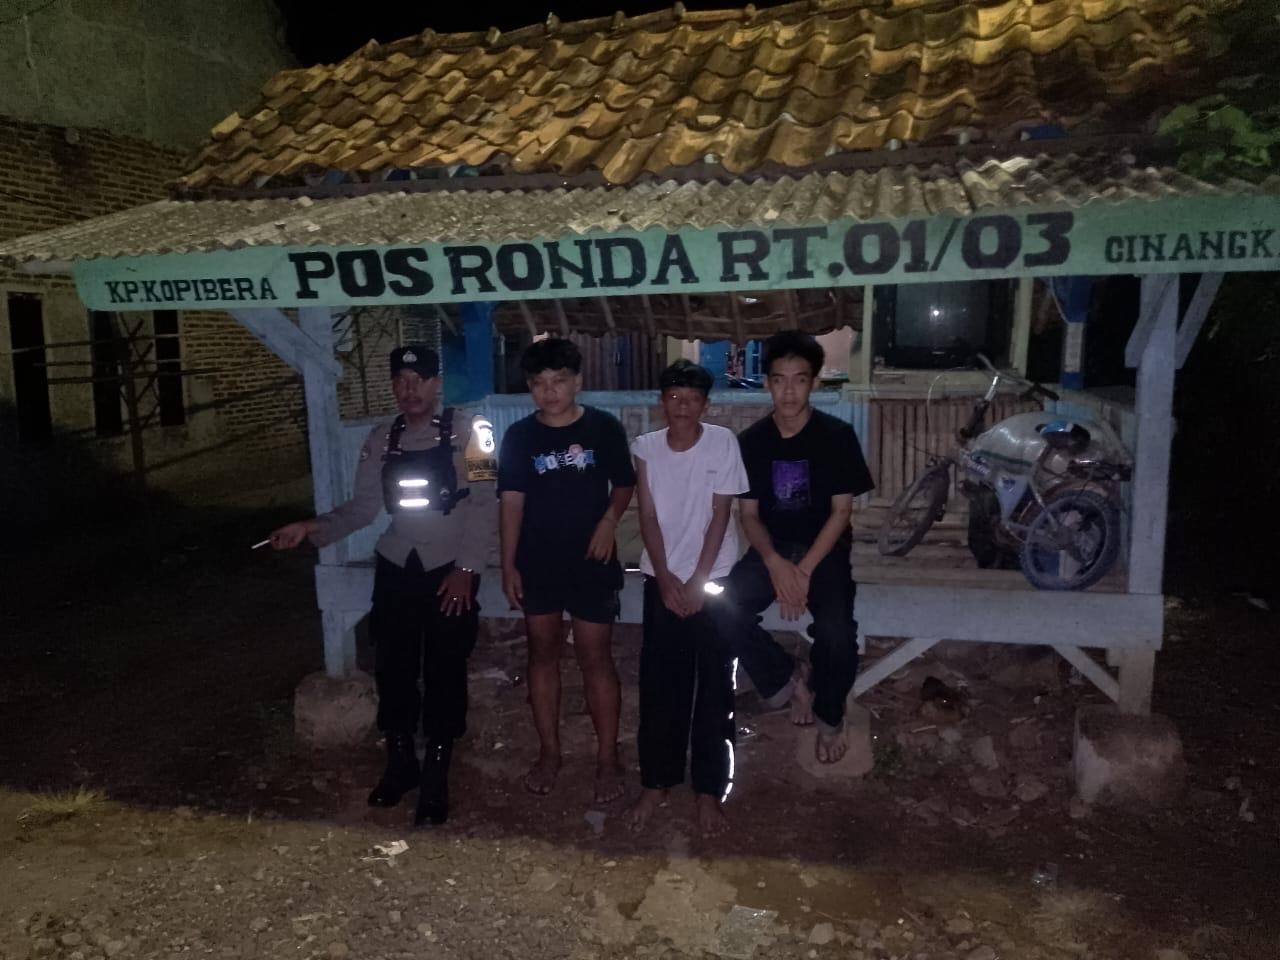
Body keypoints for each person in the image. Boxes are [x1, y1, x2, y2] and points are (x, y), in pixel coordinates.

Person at [269, 345, 496, 826]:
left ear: (437, 384)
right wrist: (310, 527)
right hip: (397, 567)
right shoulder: (382, 438)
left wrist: (467, 570)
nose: (409, 390)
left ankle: (436, 772)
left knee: (444, 670)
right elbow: (363, 509)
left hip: (450, 570)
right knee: (393, 668)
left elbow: (485, 504)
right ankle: (400, 763)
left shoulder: (473, 432)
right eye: (400, 382)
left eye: (419, 380)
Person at [708, 331, 874, 764]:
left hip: (825, 551)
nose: (788, 391)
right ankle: (786, 678)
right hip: (774, 548)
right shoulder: (752, 442)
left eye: (799, 380)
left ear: (814, 383)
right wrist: (776, 563)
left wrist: (802, 572)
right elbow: (748, 515)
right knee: (719, 605)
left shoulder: (837, 436)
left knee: (838, 634)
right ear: (767, 384)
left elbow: (841, 513)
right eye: (779, 380)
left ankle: (829, 714)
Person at [497, 338, 635, 803]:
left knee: (596, 655)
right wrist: (509, 564)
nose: (549, 391)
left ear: (578, 382)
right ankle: (549, 752)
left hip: (592, 561)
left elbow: (624, 484)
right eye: (539, 383)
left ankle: (607, 758)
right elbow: (511, 503)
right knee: (542, 653)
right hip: (538, 561)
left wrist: (609, 522)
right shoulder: (519, 437)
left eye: (559, 381)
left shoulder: (603, 428)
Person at [626, 360, 748, 838]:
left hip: (712, 580)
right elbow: (647, 517)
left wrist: (698, 580)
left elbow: (721, 515)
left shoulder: (722, 443)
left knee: (715, 685)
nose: (682, 407)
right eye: (674, 398)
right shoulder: (646, 448)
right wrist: (665, 578)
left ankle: (709, 791)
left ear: (706, 405)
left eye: (692, 399)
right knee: (660, 685)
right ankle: (656, 783)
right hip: (662, 579)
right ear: (662, 402)